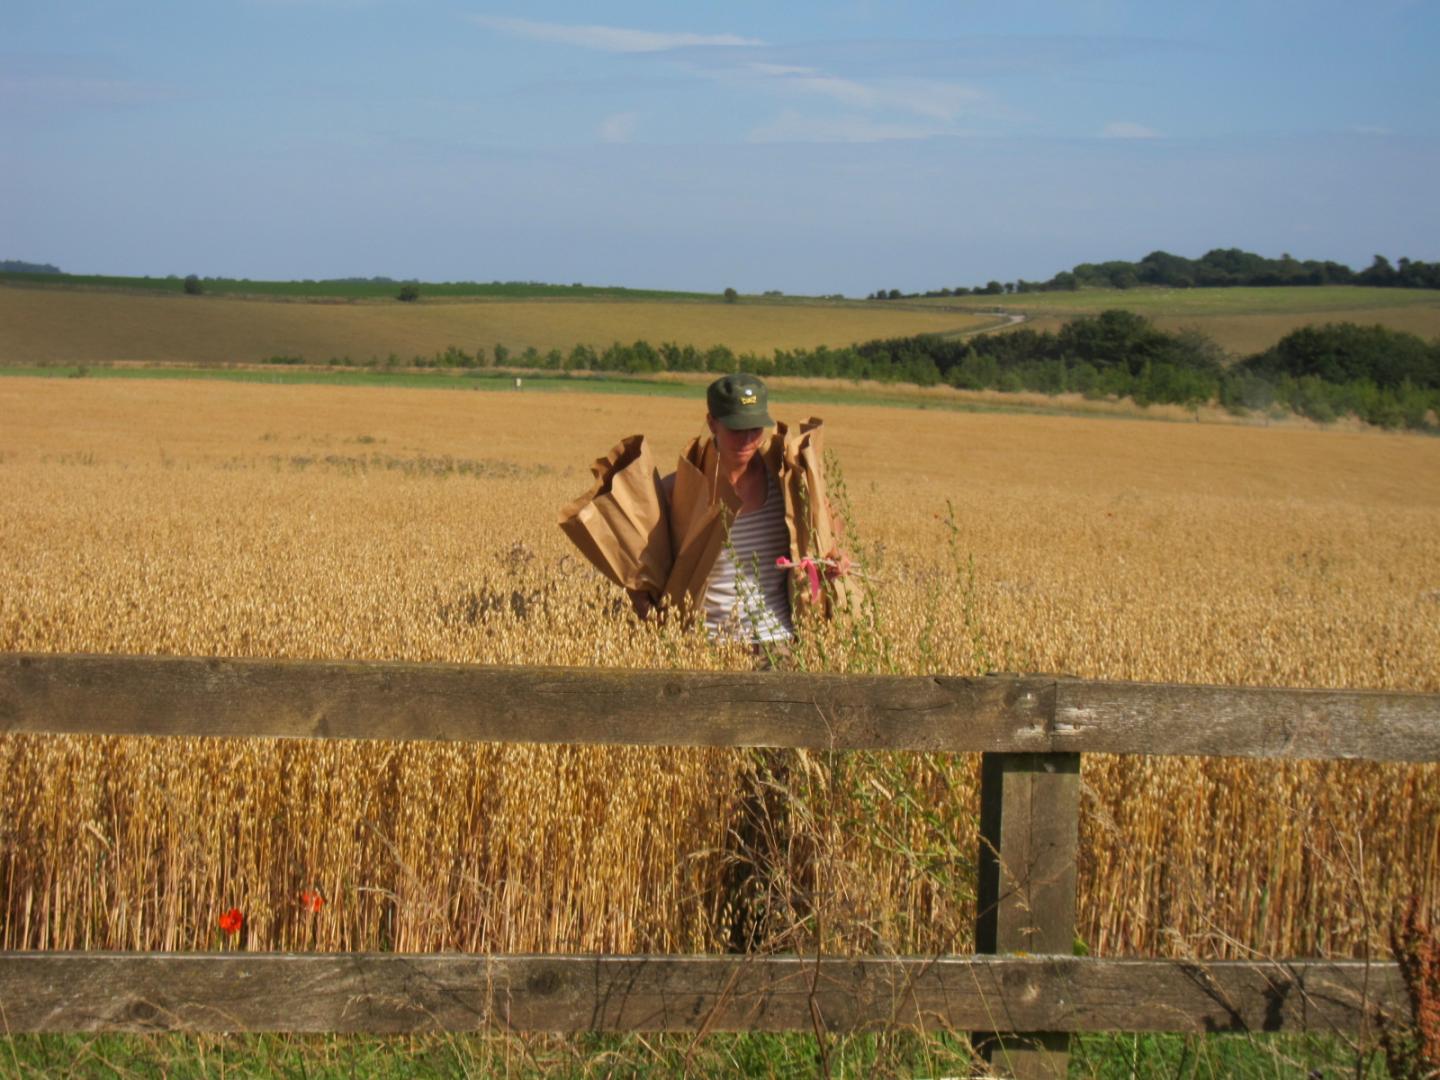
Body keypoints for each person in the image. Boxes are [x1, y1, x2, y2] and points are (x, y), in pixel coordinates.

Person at [627, 373, 848, 649]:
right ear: (712, 423)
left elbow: (828, 539)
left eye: (754, 428)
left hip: (778, 644)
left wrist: (832, 562)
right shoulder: (681, 490)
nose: (746, 440)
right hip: (703, 649)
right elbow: (630, 555)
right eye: (736, 429)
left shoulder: (787, 487)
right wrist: (641, 599)